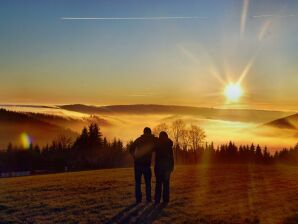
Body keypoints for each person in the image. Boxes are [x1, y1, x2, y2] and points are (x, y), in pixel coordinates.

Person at [130, 127, 157, 204]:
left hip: (138, 164)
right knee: (148, 182)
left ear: (143, 132)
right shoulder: (151, 140)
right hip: (146, 164)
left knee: (138, 182)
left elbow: (131, 148)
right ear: (149, 132)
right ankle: (148, 199)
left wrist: (134, 156)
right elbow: (155, 148)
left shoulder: (139, 139)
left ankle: (138, 200)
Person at [154, 131, 174, 204]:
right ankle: (166, 200)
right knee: (166, 184)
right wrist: (172, 166)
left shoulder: (157, 143)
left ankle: (157, 200)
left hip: (159, 167)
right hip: (167, 167)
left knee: (158, 184)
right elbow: (172, 157)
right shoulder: (169, 144)